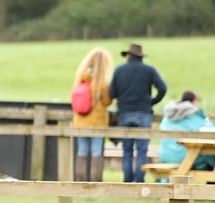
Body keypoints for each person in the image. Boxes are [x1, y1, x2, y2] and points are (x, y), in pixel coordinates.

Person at [108, 43, 167, 182]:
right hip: (143, 114)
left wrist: (123, 101)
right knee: (142, 150)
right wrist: (150, 102)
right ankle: (139, 181)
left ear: (129, 55)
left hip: (124, 113)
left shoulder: (119, 70)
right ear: (141, 57)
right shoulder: (149, 70)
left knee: (127, 151)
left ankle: (127, 181)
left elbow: (111, 93)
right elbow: (162, 88)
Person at [71, 47, 113, 181]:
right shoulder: (101, 82)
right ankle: (96, 182)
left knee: (81, 151)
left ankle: (80, 181)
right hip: (97, 123)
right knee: (96, 152)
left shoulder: (81, 78)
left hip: (80, 121)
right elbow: (107, 101)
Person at [157, 90, 215, 169]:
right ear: (194, 101)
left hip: (165, 156)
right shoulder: (192, 115)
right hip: (185, 157)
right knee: (211, 158)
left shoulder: (167, 116)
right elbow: (210, 130)